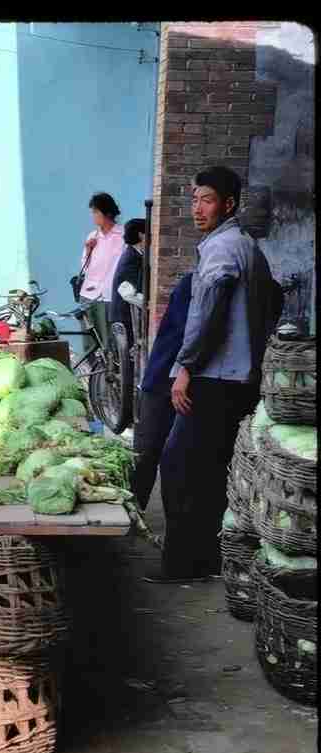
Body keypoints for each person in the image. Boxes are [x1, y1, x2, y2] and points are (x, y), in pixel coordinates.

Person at [146, 166, 283, 584]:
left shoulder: (222, 249)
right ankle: (206, 559)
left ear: (228, 204)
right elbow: (273, 301)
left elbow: (206, 316)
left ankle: (184, 565)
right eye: (194, 199)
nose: (197, 208)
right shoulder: (247, 247)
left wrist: (185, 367)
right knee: (211, 473)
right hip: (239, 379)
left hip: (213, 378)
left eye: (207, 200)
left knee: (179, 470)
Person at [129, 272, 193, 512]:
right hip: (165, 377)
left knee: (173, 459)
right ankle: (133, 512)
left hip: (185, 381)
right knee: (146, 453)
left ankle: (174, 522)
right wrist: (185, 372)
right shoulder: (193, 285)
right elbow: (191, 334)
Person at [78, 193, 125, 351]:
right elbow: (84, 266)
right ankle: (91, 375)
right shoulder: (93, 236)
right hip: (88, 294)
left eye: (96, 212)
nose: (94, 217)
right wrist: (88, 249)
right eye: (93, 212)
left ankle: (108, 375)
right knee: (89, 343)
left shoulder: (122, 236)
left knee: (108, 342)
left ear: (107, 213)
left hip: (108, 296)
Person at [109, 219, 146, 351]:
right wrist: (148, 304)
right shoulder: (131, 258)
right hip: (124, 317)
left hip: (124, 316)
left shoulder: (134, 254)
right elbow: (128, 292)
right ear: (141, 235)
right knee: (128, 359)